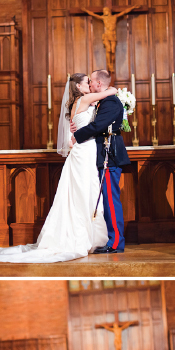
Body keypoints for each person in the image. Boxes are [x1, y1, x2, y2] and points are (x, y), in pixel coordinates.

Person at [0, 72, 116, 263]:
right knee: (83, 193)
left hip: (84, 150)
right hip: (84, 151)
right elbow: (110, 91)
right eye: (87, 82)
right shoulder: (85, 99)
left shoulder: (80, 102)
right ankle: (83, 237)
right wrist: (112, 89)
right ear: (79, 87)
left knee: (85, 192)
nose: (89, 84)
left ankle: (88, 236)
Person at [74, 69, 132, 254]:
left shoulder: (111, 102)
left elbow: (98, 126)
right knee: (107, 199)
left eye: (91, 81)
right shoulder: (104, 101)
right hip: (103, 154)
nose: (90, 84)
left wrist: (77, 135)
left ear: (99, 83)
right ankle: (112, 240)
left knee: (111, 200)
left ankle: (116, 243)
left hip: (110, 155)